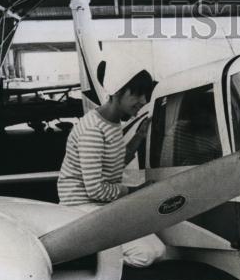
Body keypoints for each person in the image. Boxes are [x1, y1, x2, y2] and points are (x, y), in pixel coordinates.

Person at [58, 64, 166, 267]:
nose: (143, 101)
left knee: (159, 251)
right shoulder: (93, 130)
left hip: (104, 208)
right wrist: (136, 191)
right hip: (82, 210)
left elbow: (113, 164)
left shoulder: (113, 123)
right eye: (138, 94)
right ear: (117, 92)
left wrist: (138, 138)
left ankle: (96, 251)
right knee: (144, 255)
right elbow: (95, 189)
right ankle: (82, 258)